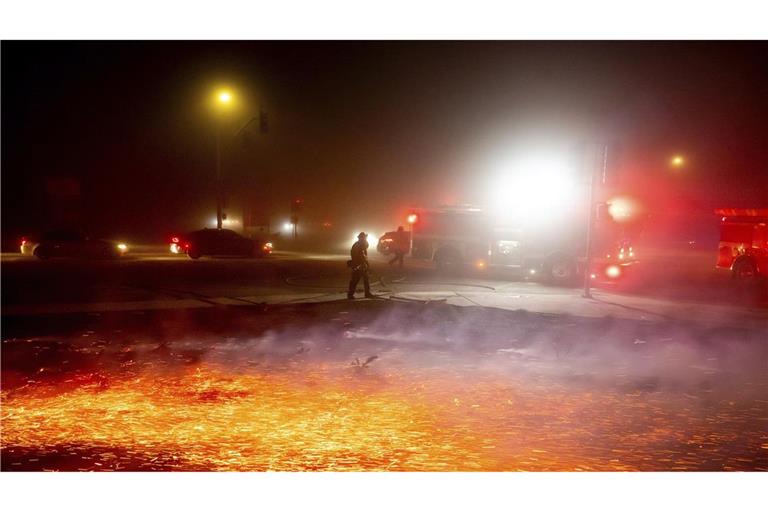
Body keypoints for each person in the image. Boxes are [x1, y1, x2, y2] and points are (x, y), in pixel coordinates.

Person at [348, 232, 375, 299]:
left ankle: (367, 293)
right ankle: (350, 294)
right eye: (365, 237)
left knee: (365, 279)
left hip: (361, 265)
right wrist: (361, 264)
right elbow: (359, 257)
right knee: (355, 280)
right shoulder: (359, 245)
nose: (366, 239)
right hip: (358, 266)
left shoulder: (360, 245)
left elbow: (364, 257)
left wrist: (367, 265)